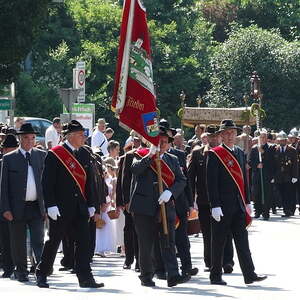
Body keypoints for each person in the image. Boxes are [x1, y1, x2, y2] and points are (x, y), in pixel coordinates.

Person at [35, 120, 103, 289]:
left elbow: (89, 182)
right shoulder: (55, 154)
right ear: (71, 136)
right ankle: (42, 272)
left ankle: (85, 277)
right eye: (81, 135)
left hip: (80, 207)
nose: (83, 138)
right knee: (53, 241)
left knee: (84, 243)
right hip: (60, 208)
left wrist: (91, 204)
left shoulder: (85, 154)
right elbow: (47, 183)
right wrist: (50, 205)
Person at [207, 119, 267, 285]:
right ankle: (215, 276)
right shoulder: (214, 154)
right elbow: (211, 182)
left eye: (232, 133)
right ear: (220, 136)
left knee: (242, 242)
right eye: (226, 133)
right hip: (222, 207)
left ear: (236, 134)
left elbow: (244, 181)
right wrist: (215, 205)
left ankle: (249, 274)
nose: (230, 136)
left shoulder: (240, 153)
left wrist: (248, 202)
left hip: (239, 205)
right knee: (218, 242)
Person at [129, 127, 190, 287]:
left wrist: (170, 192)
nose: (162, 143)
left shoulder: (173, 159)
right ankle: (146, 276)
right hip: (144, 207)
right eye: (159, 140)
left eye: (165, 141)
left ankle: (173, 275)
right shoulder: (140, 154)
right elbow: (135, 170)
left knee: (168, 241)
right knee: (146, 243)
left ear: (169, 144)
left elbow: (181, 180)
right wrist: (150, 155)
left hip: (165, 205)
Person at [0, 124, 46, 282]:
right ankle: (21, 271)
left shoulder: (41, 155)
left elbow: (46, 183)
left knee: (38, 240)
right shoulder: (9, 158)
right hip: (16, 208)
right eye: (26, 138)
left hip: (36, 206)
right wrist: (5, 208)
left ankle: (41, 270)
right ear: (20, 139)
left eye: (32, 138)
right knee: (17, 242)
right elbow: (3, 186)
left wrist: (47, 206)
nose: (30, 141)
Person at [188, 125, 235, 273]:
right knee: (208, 233)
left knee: (226, 231)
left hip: (223, 200)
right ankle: (210, 261)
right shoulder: (197, 153)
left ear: (220, 136)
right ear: (206, 137)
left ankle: (227, 261)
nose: (213, 138)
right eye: (211, 136)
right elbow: (190, 179)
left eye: (216, 136)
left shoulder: (226, 152)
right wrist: (191, 201)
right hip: (204, 200)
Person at [0, 135, 20, 278]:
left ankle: (18, 266)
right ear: (5, 150)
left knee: (17, 239)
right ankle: (8, 267)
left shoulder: (21, 162)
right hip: (3, 206)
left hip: (16, 206)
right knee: (5, 239)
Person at [249, 129, 275, 220]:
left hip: (266, 174)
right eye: (261, 137)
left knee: (266, 193)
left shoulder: (271, 147)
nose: (263, 139)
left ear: (267, 138)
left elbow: (273, 161)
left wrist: (263, 153)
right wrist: (257, 164)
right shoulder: (254, 148)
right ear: (259, 138)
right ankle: (257, 211)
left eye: (264, 137)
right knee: (256, 193)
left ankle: (266, 212)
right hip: (257, 174)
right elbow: (250, 161)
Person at [273, 131, 298, 217]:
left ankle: (288, 210)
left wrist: (295, 176)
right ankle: (286, 209)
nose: (282, 142)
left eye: (283, 140)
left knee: (289, 193)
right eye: (280, 140)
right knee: (281, 193)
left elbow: (295, 164)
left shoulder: (292, 150)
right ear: (278, 141)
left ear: (286, 140)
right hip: (279, 176)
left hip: (289, 176)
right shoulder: (275, 149)